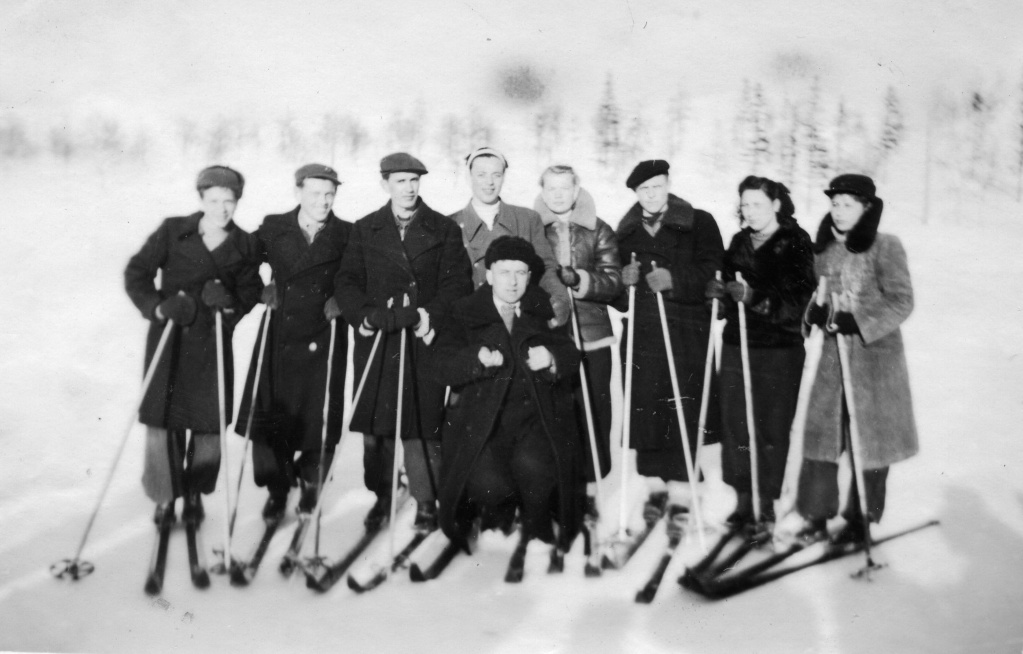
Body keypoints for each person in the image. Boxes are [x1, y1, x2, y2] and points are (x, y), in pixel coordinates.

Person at [334, 152, 472, 533]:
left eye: (414, 180)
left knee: (422, 423)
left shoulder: (443, 228)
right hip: (378, 339)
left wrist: (428, 313)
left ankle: (427, 498)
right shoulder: (365, 229)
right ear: (385, 184)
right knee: (376, 427)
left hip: (421, 338)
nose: (409, 188)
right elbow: (346, 282)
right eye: (400, 181)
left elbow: (456, 284)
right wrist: (364, 314)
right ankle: (382, 494)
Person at [125, 165, 262, 530]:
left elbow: (250, 292)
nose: (221, 209)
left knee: (207, 426)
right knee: (163, 423)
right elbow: (137, 272)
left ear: (237, 202)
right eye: (214, 200)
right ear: (201, 199)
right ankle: (165, 498)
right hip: (170, 338)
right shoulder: (173, 230)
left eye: (228, 201)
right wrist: (157, 306)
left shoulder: (245, 244)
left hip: (212, 342)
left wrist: (229, 303)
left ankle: (196, 494)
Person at [430, 236, 581, 559]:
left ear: (529, 276)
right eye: (504, 272)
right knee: (488, 479)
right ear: (489, 275)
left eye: (520, 273)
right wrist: (475, 359)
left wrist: (552, 358)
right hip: (483, 421)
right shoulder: (465, 311)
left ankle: (537, 522)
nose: (512, 282)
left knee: (536, 468)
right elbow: (441, 365)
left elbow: (571, 353)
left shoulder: (541, 308)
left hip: (533, 418)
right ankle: (497, 517)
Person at [796, 174, 918, 544]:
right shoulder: (826, 250)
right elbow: (819, 297)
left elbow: (901, 300)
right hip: (833, 359)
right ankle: (816, 516)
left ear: (866, 208)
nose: (840, 211)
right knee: (822, 437)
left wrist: (861, 321)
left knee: (870, 442)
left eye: (848, 204)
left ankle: (861, 518)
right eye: (835, 204)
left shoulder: (886, 246)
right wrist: (813, 314)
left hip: (875, 362)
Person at [234, 164, 351, 523]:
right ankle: (278, 488)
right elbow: (240, 260)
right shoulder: (274, 227)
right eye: (315, 193)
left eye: (329, 194)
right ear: (298, 192)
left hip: (326, 332)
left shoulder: (348, 233)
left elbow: (363, 274)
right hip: (281, 333)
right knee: (274, 412)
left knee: (320, 413)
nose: (323, 201)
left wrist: (344, 297)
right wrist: (259, 290)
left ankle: (312, 483)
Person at [614, 159, 724, 536]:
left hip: (685, 332)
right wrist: (622, 283)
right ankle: (655, 488)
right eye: (644, 190)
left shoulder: (700, 222)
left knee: (682, 407)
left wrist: (675, 279)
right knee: (646, 410)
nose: (651, 194)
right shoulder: (625, 232)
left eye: (657, 187)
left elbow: (714, 273)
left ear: (668, 184)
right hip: (643, 333)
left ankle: (682, 493)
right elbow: (616, 292)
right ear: (635, 193)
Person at [704, 176, 815, 533]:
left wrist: (754, 298)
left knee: (770, 427)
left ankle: (765, 505)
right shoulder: (739, 241)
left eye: (758, 205)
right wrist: (717, 295)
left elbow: (798, 305)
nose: (750, 212)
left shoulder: (796, 243)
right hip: (738, 344)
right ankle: (742, 502)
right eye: (745, 205)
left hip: (778, 350)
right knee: (736, 423)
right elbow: (722, 285)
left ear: (776, 205)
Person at [534, 165, 622, 519]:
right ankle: (557, 486)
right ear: (543, 190)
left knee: (594, 414)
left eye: (564, 188)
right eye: (550, 188)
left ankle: (587, 489)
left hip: (592, 338)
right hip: (553, 338)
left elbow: (614, 280)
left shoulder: (598, 229)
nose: (557, 195)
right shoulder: (533, 229)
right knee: (556, 414)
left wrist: (581, 279)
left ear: (576, 188)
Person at [448, 147, 569, 327]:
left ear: (504, 177)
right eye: (481, 174)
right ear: (469, 177)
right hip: (470, 323)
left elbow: (545, 267)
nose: (489, 182)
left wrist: (558, 298)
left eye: (496, 175)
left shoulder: (527, 219)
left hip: (519, 320)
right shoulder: (450, 225)